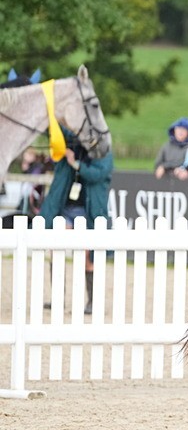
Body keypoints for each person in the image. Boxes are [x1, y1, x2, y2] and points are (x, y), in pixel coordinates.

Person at [40, 129, 113, 315]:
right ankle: (57, 298)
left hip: (87, 212)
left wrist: (77, 164)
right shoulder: (69, 146)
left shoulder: (102, 151)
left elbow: (100, 173)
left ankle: (92, 302)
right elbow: (54, 131)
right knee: (56, 250)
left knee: (87, 257)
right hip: (66, 209)